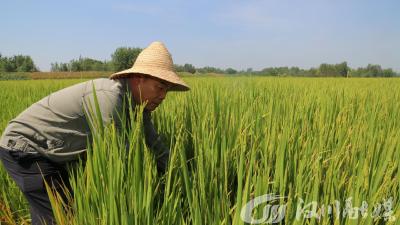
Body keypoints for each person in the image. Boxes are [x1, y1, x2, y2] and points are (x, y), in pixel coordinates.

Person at [0, 41, 190, 225]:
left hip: (53, 154)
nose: (163, 95)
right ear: (139, 78)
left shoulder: (138, 106)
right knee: (61, 216)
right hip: (26, 148)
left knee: (56, 212)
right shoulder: (108, 97)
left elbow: (155, 144)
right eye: (159, 87)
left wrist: (183, 180)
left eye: (167, 90)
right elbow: (118, 155)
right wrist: (136, 200)